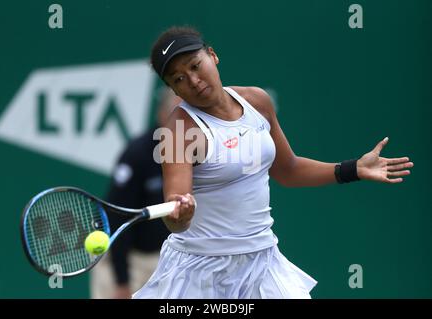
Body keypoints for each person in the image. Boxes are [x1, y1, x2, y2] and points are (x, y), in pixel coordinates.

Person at [132, 26, 414, 299]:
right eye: (178, 79)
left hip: (263, 264)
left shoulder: (257, 101)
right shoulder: (179, 130)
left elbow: (287, 170)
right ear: (173, 90)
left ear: (212, 55)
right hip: (201, 272)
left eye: (195, 66)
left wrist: (353, 169)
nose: (193, 80)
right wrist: (181, 215)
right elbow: (176, 207)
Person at [90, 88, 181, 299]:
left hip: (165, 260)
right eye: (178, 114)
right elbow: (117, 217)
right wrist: (121, 281)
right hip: (126, 258)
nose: (184, 121)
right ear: (161, 115)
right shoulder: (138, 154)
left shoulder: (195, 153)